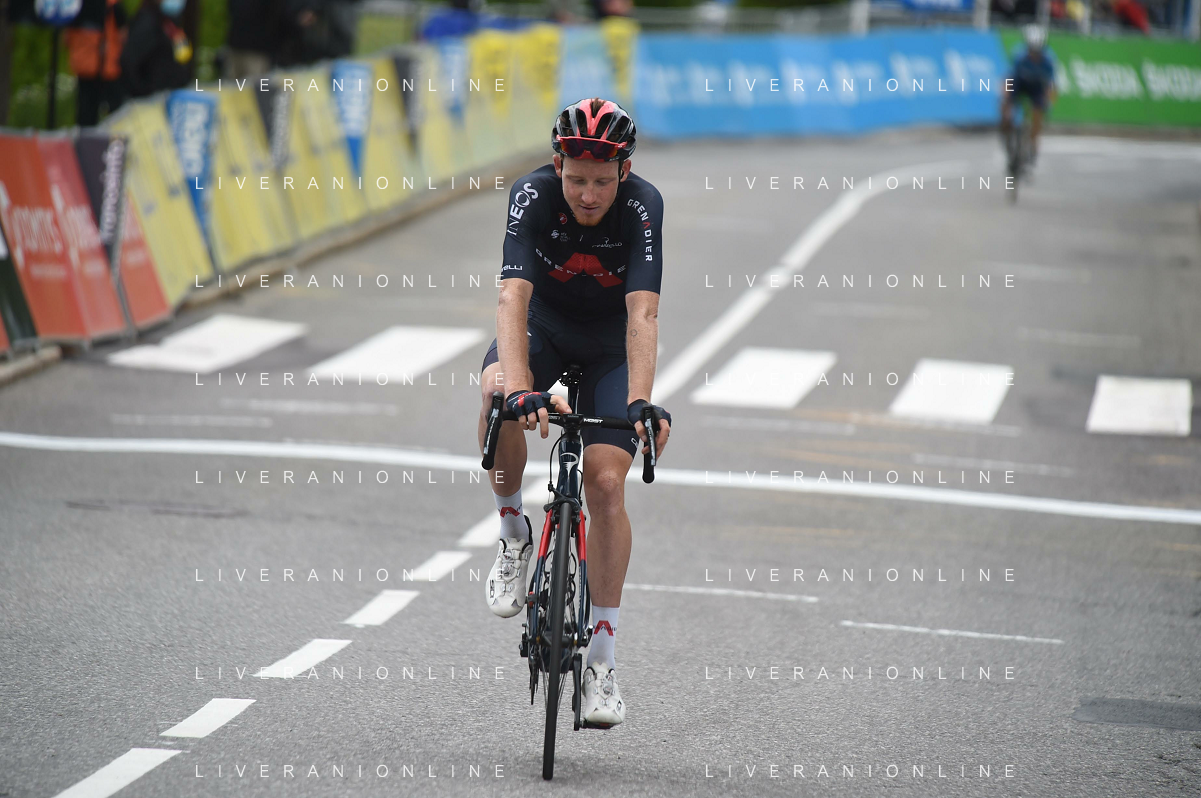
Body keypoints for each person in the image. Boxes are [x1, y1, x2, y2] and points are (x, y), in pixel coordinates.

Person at [478, 98, 671, 729]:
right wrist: (518, 388)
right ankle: (513, 531)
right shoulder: (532, 195)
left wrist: (639, 403)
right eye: (577, 179)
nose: (588, 195)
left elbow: (643, 312)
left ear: (624, 172)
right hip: (545, 327)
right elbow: (512, 296)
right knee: (496, 394)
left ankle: (602, 663)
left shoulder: (643, 206)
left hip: (611, 346)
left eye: (602, 182)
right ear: (558, 166)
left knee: (607, 483)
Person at [1000, 24, 1057, 167]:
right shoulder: (1019, 56)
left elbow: (1051, 85)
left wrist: (1049, 101)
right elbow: (1008, 79)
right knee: (1005, 109)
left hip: (1037, 88)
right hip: (1020, 83)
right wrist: (1006, 100)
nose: (1034, 55)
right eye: (1032, 51)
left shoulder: (1049, 60)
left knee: (1038, 114)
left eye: (1038, 51)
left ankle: (1033, 144)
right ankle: (1007, 136)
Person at [64, 0, 128, 125]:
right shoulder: (113, 5)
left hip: (84, 67)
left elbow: (66, 39)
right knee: (116, 118)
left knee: (86, 116)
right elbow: (124, 36)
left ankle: (85, 136)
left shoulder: (75, 6)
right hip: (109, 68)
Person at [119, 0, 192, 99]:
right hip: (152, 99)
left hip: (171, 95)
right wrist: (142, 92)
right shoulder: (147, 22)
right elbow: (128, 61)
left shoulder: (168, 21)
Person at [225, 0, 279, 79]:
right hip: (235, 46)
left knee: (255, 83)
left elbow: (275, 16)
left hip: (257, 50)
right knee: (232, 83)